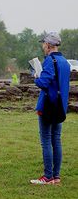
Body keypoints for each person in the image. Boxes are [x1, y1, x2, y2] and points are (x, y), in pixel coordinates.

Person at [30, 32, 70, 185]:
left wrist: (36, 76)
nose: (43, 46)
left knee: (46, 140)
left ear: (48, 45)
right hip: (60, 106)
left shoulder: (49, 60)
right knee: (56, 140)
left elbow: (43, 83)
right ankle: (56, 176)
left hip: (48, 106)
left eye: (43, 44)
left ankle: (47, 177)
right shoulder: (65, 62)